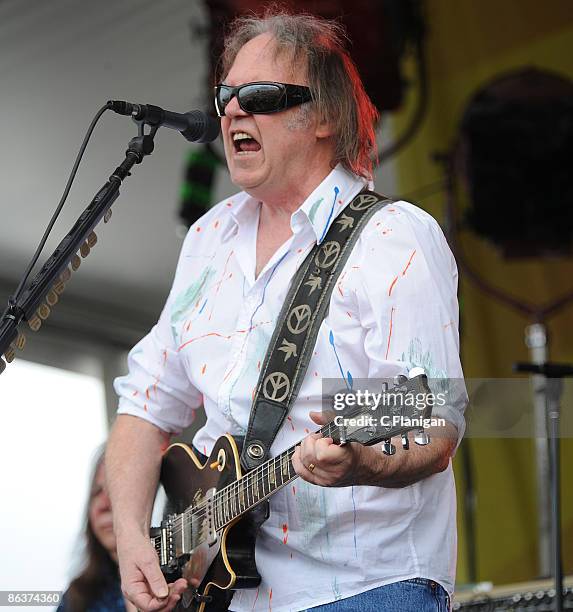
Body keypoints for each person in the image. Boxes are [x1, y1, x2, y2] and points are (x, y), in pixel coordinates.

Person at [106, 9, 465, 612]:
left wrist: (361, 460)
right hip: (233, 594)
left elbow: (431, 414)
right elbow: (144, 403)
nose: (234, 111)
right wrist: (131, 539)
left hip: (366, 586)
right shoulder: (208, 239)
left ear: (325, 116)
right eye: (227, 95)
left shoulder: (392, 238)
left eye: (262, 95)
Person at [57, 448, 137, 612]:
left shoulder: (193, 579)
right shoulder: (77, 597)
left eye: (114, 490)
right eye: (96, 492)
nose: (103, 505)